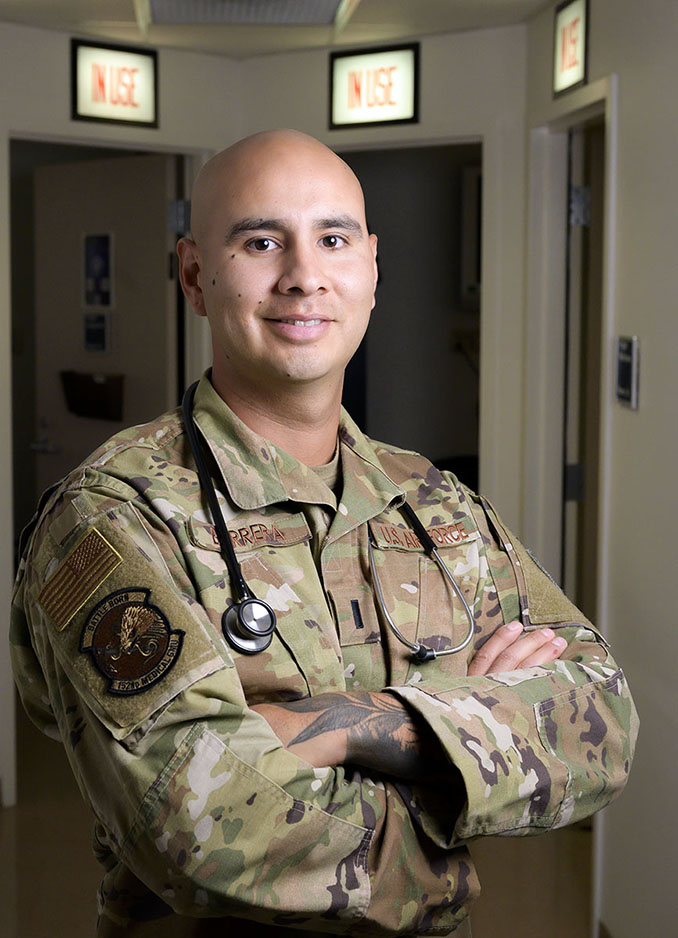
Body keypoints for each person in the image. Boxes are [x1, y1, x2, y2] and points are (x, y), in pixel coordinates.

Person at [10, 129, 638, 938]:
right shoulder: (112, 517)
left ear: (371, 269)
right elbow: (198, 822)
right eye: (262, 241)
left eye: (333, 238)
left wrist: (337, 725)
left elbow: (602, 722)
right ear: (196, 275)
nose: (304, 276)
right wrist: (460, 739)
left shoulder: (432, 502)